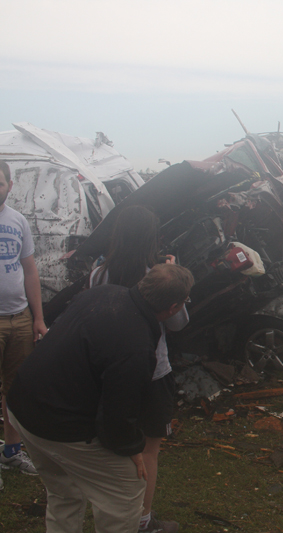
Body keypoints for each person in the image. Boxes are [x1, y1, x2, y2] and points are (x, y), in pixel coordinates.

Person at [7, 264, 194, 533]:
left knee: (64, 491)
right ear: (174, 307)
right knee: (127, 489)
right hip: (57, 422)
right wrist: (131, 448)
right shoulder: (137, 347)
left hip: (22, 403)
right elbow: (117, 416)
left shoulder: (102, 293)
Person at [89, 205, 188, 533]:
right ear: (151, 237)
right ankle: (142, 520)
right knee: (149, 449)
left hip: (107, 370)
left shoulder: (99, 271)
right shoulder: (156, 274)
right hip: (152, 370)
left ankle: (111, 513)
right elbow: (177, 323)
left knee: (111, 447)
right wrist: (175, 279)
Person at [0, 160, 47, 485]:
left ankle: (11, 450)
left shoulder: (18, 221)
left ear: (9, 185)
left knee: (15, 389)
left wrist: (38, 318)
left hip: (20, 319)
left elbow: (30, 271)